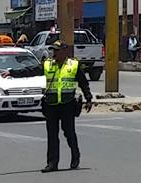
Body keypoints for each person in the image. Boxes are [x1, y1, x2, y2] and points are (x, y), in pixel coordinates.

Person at [8, 41, 93, 172]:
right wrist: (12, 73)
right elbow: (31, 71)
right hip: (51, 104)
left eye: (58, 50)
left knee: (69, 133)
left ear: (64, 51)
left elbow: (83, 82)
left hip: (67, 104)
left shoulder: (74, 65)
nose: (55, 53)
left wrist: (88, 99)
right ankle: (52, 163)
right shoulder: (48, 64)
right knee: (52, 135)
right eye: (54, 50)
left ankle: (75, 155)